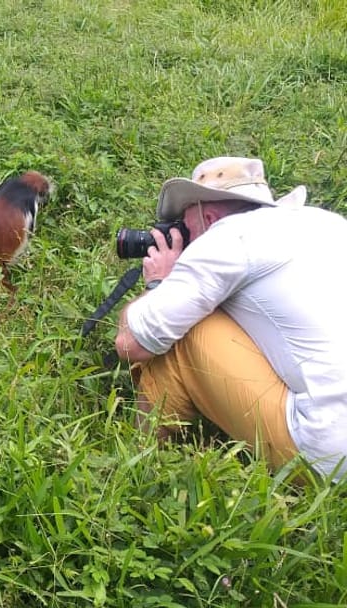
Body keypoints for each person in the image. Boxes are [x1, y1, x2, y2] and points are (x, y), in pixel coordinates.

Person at [114, 156, 347, 480]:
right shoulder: (325, 224)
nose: (182, 236)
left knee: (184, 332)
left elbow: (131, 343)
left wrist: (160, 284)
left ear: (207, 215)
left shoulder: (228, 237)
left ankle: (137, 466)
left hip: (328, 457)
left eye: (185, 225)